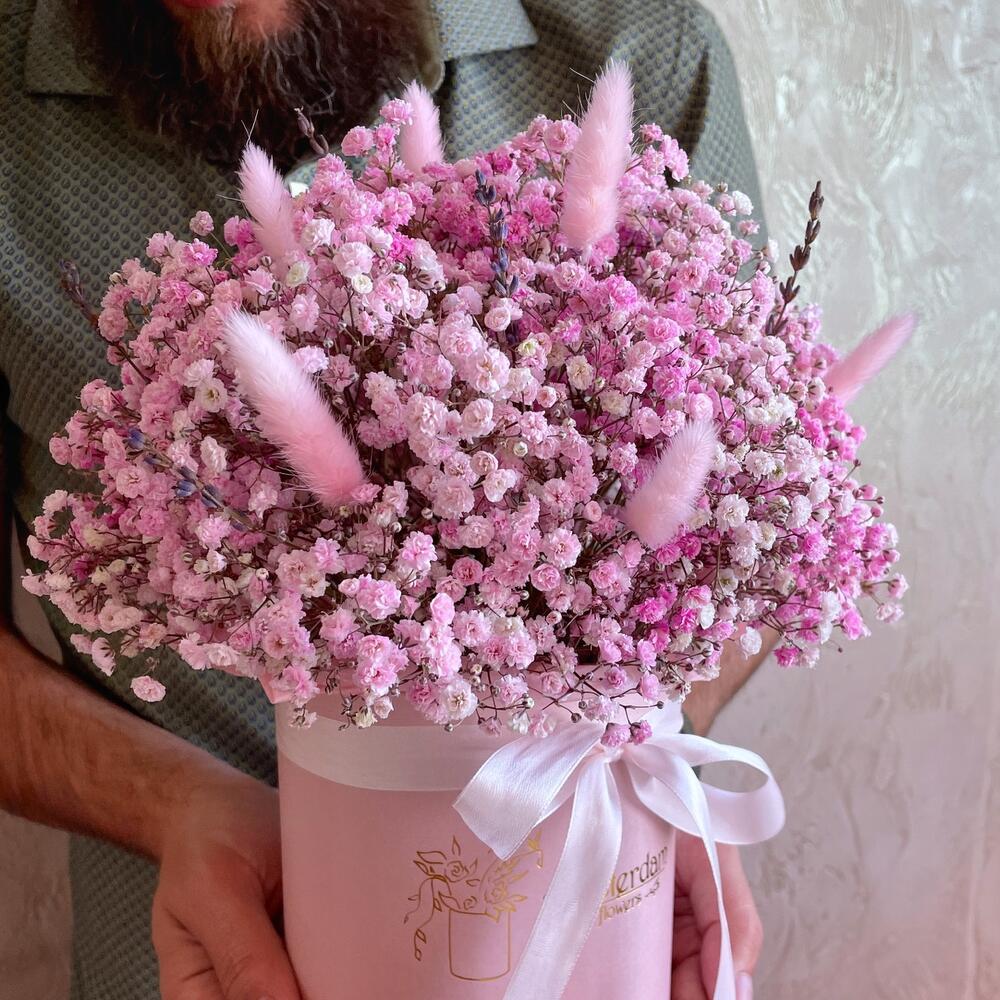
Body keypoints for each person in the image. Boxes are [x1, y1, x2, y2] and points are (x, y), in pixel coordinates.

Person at [0, 1, 768, 998]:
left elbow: (758, 530)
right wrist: (171, 802)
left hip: (595, 935)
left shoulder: (642, 48)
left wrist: (634, 746)